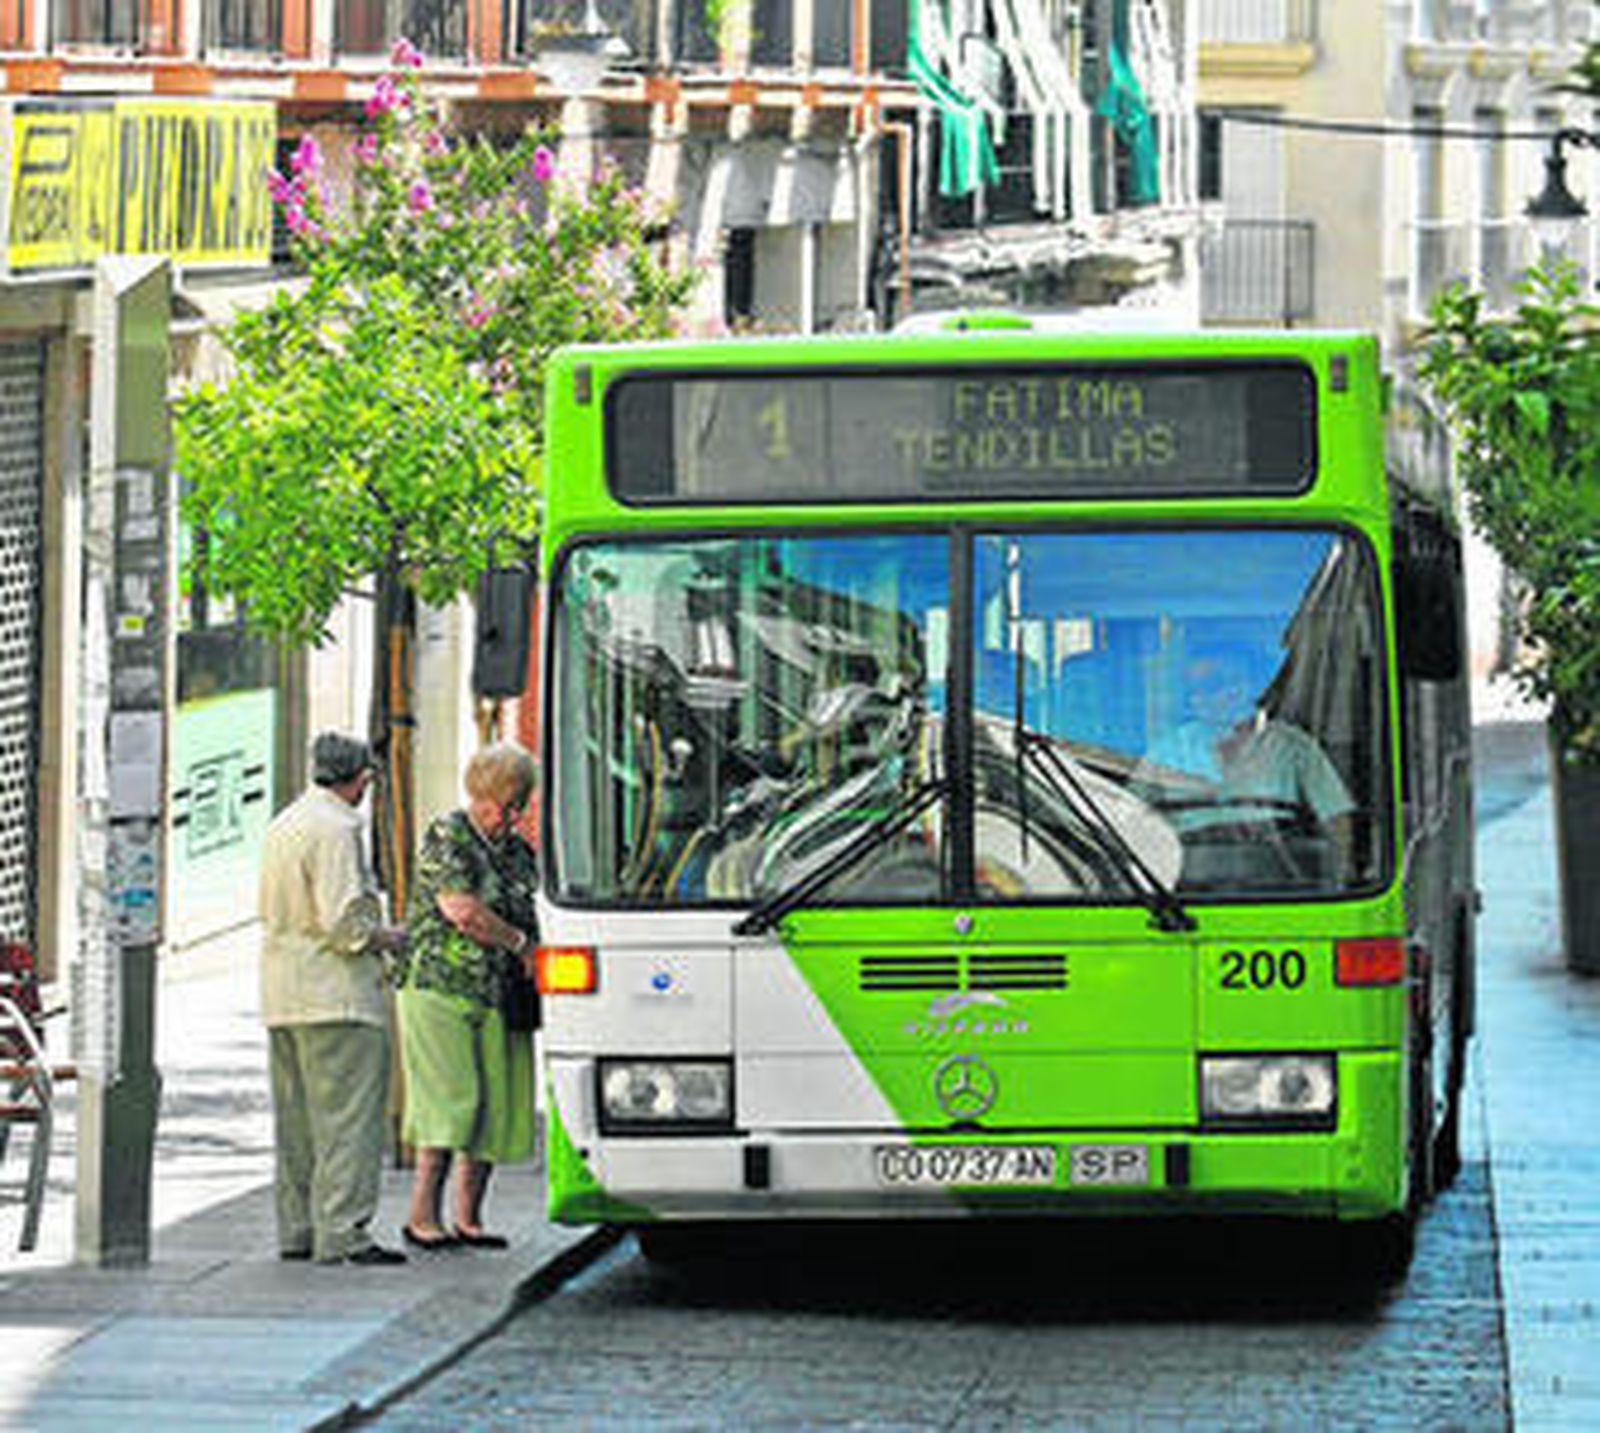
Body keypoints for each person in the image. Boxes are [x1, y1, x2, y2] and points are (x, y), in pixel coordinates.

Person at [259, 731, 409, 1266]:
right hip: (338, 995)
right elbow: (345, 922)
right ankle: (344, 1231)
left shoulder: (286, 821)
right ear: (362, 778)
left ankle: (297, 1228)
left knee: (296, 1122)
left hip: (283, 992)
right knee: (347, 1120)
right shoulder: (340, 828)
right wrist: (391, 936)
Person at [394, 743, 540, 1251]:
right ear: (480, 796)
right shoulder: (448, 835)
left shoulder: (519, 852)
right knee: (451, 1102)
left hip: (498, 993)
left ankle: (469, 1218)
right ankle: (421, 1216)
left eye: (518, 805)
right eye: (505, 805)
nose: (512, 816)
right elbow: (462, 910)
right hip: (438, 987)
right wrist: (521, 944)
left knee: (495, 1106)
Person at [1143, 648, 1355, 854]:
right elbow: (1130, 815)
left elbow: (1337, 818)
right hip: (1183, 876)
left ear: (1256, 689)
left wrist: (1340, 876)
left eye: (1230, 683)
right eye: (1205, 687)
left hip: (1278, 876)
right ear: (1193, 699)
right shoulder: (1170, 749)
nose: (1223, 694)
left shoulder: (1294, 747)